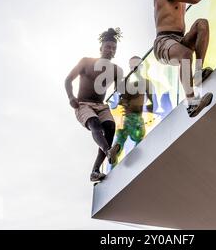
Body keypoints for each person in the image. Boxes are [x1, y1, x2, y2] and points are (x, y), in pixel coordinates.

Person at [153, 0, 216, 117]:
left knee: (202, 24)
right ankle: (191, 103)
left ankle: (198, 73)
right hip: (163, 42)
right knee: (186, 55)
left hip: (180, 39)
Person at [64, 28, 124, 182]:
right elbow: (68, 80)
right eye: (108, 47)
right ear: (101, 48)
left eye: (114, 48)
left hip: (101, 105)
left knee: (110, 128)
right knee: (95, 125)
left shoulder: (116, 70)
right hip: (83, 104)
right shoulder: (86, 61)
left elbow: (121, 90)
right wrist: (71, 97)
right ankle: (109, 151)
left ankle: (95, 171)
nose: (111, 50)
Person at [113, 56, 156, 163]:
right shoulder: (142, 83)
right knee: (138, 137)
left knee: (121, 140)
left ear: (141, 66)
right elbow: (153, 106)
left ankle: (114, 153)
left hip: (127, 120)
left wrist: (131, 104)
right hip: (133, 120)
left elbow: (121, 101)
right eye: (131, 66)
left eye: (135, 65)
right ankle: (136, 162)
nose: (133, 68)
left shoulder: (137, 84)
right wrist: (139, 106)